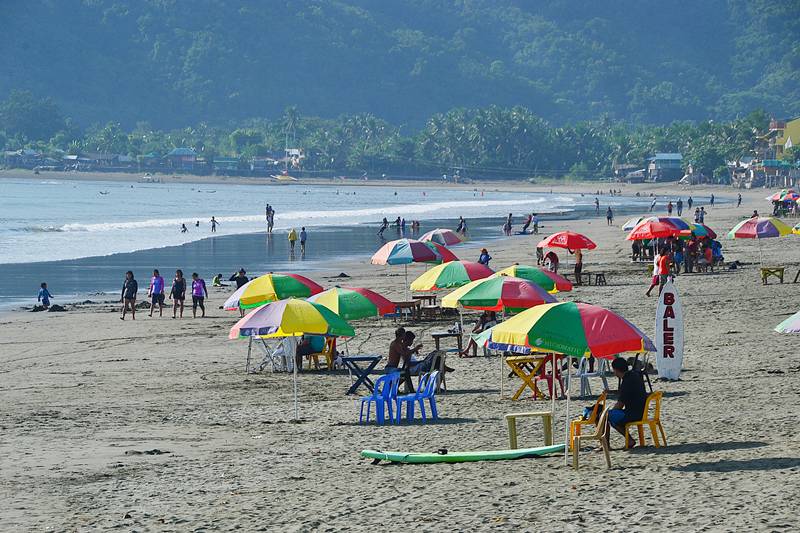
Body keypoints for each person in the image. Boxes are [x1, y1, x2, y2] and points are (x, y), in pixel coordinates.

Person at [607, 357, 648, 449]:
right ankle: (629, 440)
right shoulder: (634, 375)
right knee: (611, 417)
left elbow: (620, 404)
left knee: (604, 416)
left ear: (616, 370)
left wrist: (610, 412)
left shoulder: (627, 381)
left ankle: (606, 445)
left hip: (634, 414)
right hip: (640, 410)